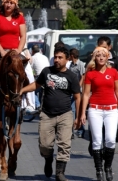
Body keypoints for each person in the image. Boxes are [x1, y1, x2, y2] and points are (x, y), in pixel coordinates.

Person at [20, 47, 81, 181]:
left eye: (60, 58)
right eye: (56, 57)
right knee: (45, 145)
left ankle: (60, 173)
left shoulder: (71, 76)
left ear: (67, 59)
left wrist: (79, 116)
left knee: (64, 144)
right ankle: (48, 160)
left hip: (65, 115)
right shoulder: (47, 71)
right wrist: (22, 90)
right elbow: (36, 84)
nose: (57, 60)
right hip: (47, 115)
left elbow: (77, 97)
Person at [80, 47, 118, 181]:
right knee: (97, 141)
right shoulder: (90, 74)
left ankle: (108, 167)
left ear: (107, 58)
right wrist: (83, 113)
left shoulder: (113, 72)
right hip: (95, 109)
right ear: (95, 57)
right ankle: (99, 170)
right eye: (98, 55)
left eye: (103, 55)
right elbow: (86, 94)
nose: (101, 57)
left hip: (111, 109)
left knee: (110, 139)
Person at [86, 36, 118, 156]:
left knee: (110, 137)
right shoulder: (92, 61)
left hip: (110, 104)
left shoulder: (116, 61)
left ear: (109, 48)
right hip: (95, 104)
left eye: (104, 48)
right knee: (97, 136)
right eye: (99, 48)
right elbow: (86, 84)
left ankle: (107, 164)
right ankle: (96, 148)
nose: (101, 53)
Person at [69, 48, 85, 138]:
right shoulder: (71, 65)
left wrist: (78, 86)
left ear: (72, 56)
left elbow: (83, 76)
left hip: (78, 91)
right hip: (71, 90)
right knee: (72, 110)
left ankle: (80, 129)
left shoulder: (81, 64)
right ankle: (71, 131)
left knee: (79, 110)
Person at [30, 44, 50, 109]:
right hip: (48, 76)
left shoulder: (33, 58)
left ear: (32, 51)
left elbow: (30, 69)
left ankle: (38, 105)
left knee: (33, 91)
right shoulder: (45, 57)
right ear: (39, 50)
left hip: (39, 77)